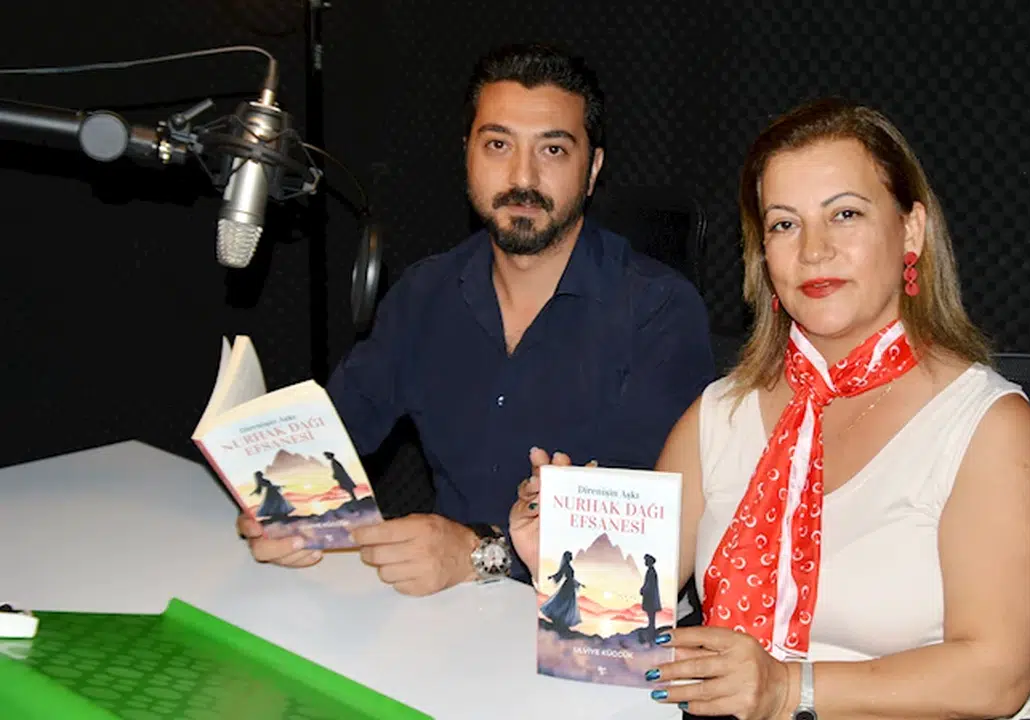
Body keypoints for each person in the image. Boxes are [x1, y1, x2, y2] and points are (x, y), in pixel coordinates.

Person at [511, 98, 1030, 720]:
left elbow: (996, 677)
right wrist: (565, 556)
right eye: (784, 224)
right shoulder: (720, 415)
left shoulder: (986, 427)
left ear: (911, 230)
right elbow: (622, 624)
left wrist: (787, 688)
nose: (813, 251)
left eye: (845, 215)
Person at [238, 43, 715, 597]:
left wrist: (480, 554)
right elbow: (336, 434)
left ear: (592, 170)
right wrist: (285, 512)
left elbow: (644, 549)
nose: (522, 176)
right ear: (467, 154)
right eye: (498, 145)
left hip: (587, 622)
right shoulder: (424, 294)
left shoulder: (660, 313)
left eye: (553, 150)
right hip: (447, 610)